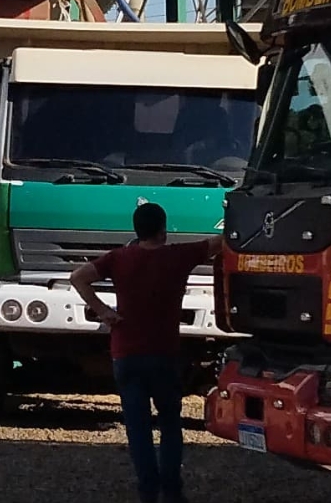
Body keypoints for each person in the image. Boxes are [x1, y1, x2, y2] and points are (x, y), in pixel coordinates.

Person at [70, 204, 222, 503]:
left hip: (125, 353)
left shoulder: (118, 258)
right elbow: (220, 242)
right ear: (163, 229)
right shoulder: (178, 256)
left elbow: (78, 277)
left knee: (137, 428)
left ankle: (147, 491)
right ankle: (173, 491)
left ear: (136, 230)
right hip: (164, 353)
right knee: (169, 422)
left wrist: (103, 311)